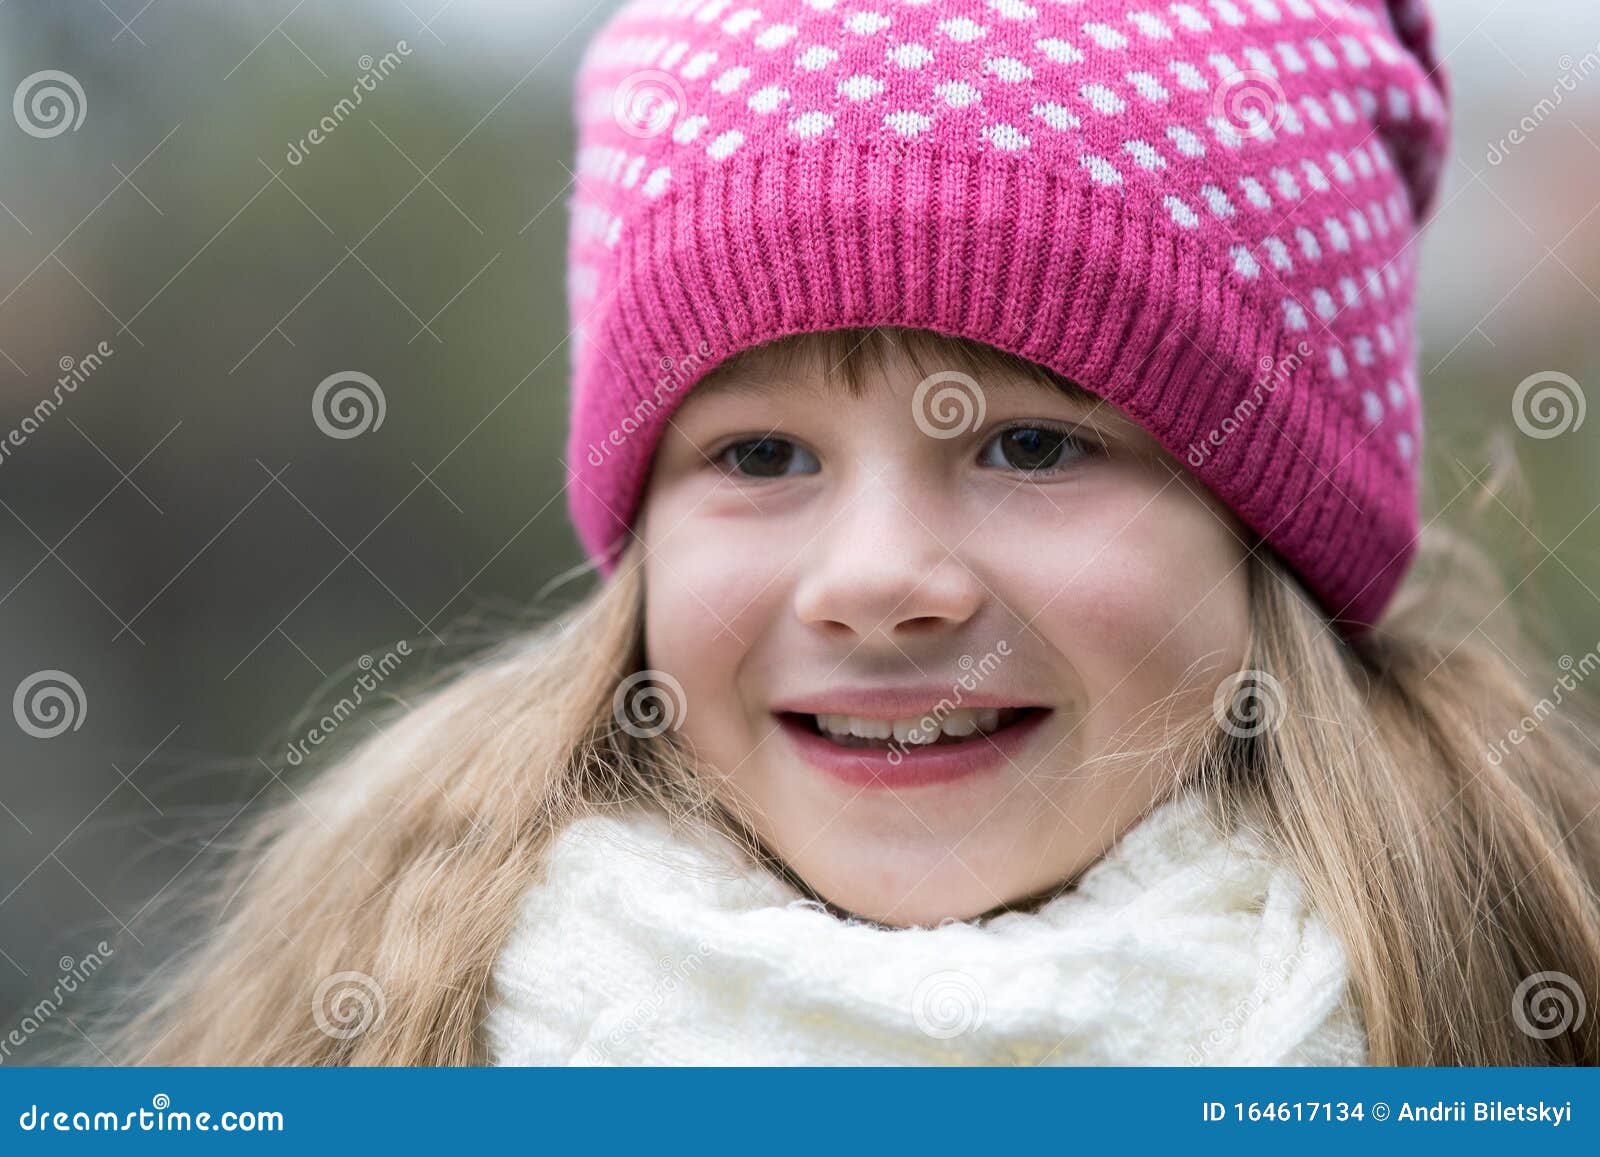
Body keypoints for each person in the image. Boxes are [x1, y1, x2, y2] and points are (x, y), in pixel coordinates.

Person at [107, 0, 1599, 1065]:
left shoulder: (1517, 1022)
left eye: (1034, 442)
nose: (879, 578)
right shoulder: (359, 1043)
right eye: (760, 452)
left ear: (1280, 529)